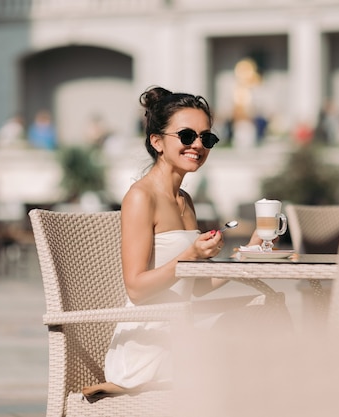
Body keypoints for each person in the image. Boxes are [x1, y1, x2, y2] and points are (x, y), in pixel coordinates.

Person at [82, 86, 265, 398]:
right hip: (148, 344)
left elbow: (195, 286)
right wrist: (190, 256)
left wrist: (246, 255)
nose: (197, 145)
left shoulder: (186, 201)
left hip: (180, 331)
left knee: (266, 318)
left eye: (206, 138)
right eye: (186, 136)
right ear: (156, 141)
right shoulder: (141, 197)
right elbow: (137, 288)